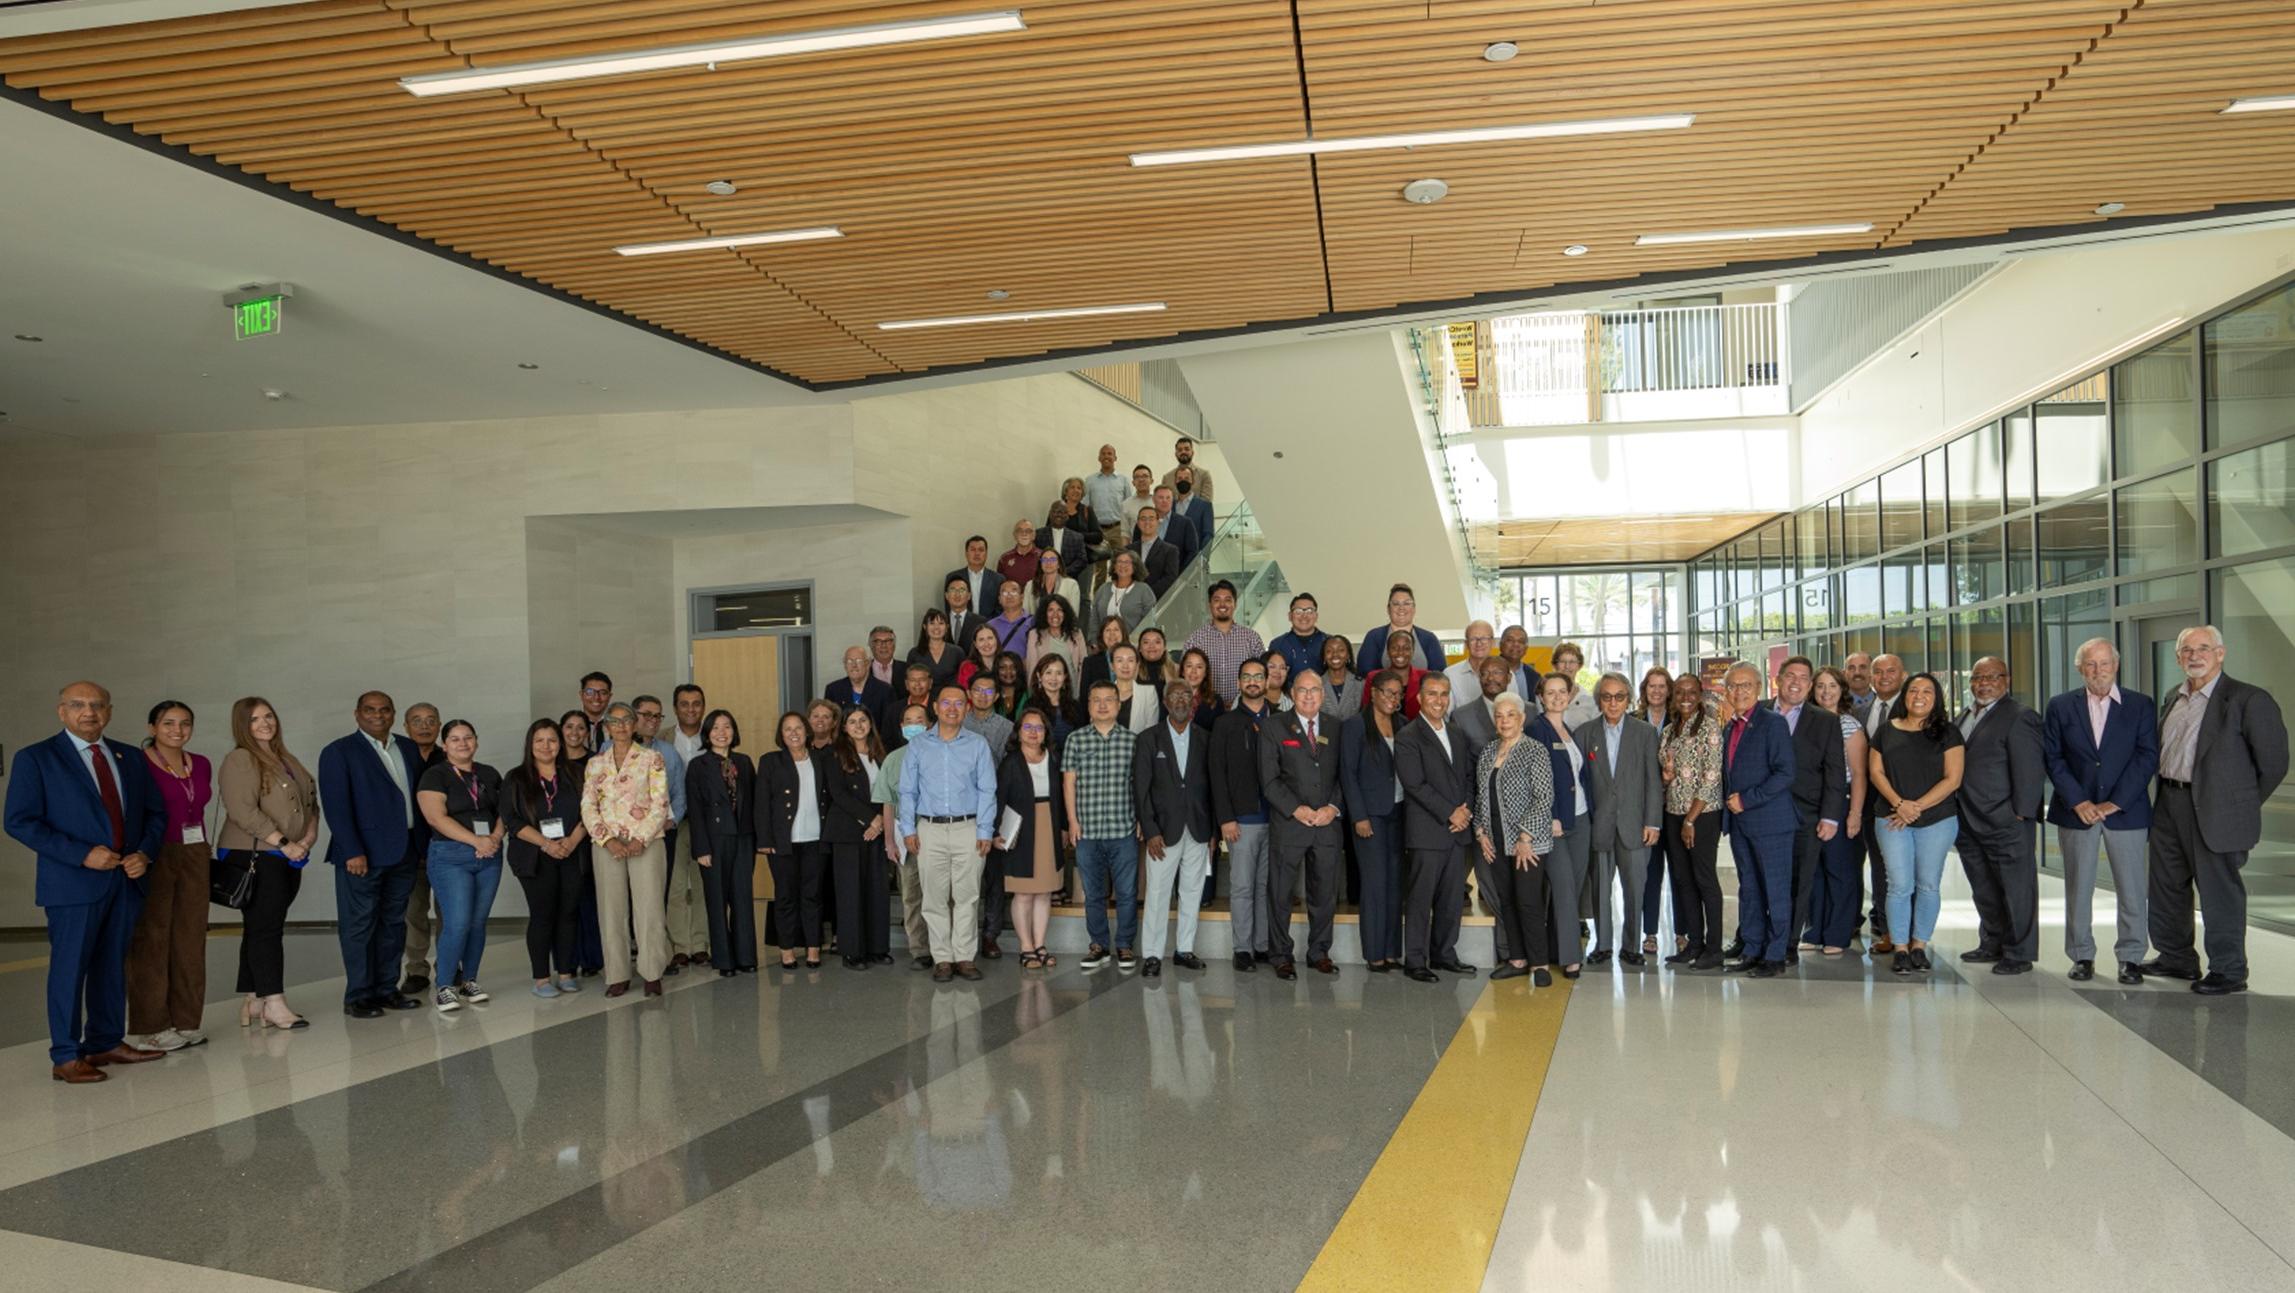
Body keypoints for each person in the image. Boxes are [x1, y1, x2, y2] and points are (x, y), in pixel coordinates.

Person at [5, 682, 168, 1083]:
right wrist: (81, 853)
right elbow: (19, 821)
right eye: (78, 705)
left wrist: (144, 853)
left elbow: (154, 814)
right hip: (72, 884)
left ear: (109, 712)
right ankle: (65, 1055)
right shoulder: (37, 758)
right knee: (69, 969)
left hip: (125, 881)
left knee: (111, 965)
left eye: (97, 705)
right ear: (62, 711)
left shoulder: (128, 756)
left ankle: (106, 1040)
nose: (88, 712)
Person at [2141, 625, 2287, 995]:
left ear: (2221, 653)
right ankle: (2176, 957)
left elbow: (2273, 763)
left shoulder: (2248, 699)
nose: (2195, 655)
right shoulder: (2174, 696)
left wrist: (2238, 803)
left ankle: (2229, 969)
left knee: (2220, 892)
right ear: (2178, 658)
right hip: (2169, 804)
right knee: (2167, 886)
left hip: (2216, 811)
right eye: (2187, 650)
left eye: (2203, 648)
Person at [2043, 638, 2157, 984]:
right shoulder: (2061, 706)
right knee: (2078, 887)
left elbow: (2147, 755)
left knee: (2133, 888)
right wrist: (2079, 801)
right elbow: (2053, 756)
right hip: (2076, 812)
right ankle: (2081, 955)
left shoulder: (2140, 705)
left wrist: (2115, 802)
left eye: (2104, 663)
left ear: (2116, 666)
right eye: (2091, 664)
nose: (2098, 671)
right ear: (2080, 668)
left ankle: (2131, 957)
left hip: (2126, 812)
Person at [317, 692, 428, 1019]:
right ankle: (359, 995)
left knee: (393, 923)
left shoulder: (407, 748)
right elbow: (336, 807)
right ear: (357, 714)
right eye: (370, 710)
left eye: (384, 710)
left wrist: (421, 847)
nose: (377, 716)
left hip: (404, 852)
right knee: (359, 925)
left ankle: (385, 988)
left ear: (393, 714)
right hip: (361, 856)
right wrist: (352, 850)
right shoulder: (339, 751)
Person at [215, 697, 320, 1031]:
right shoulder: (241, 759)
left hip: (288, 855)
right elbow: (243, 811)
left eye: (269, 716)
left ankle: (254, 999)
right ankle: (274, 1002)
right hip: (256, 854)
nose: (264, 723)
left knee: (261, 926)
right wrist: (286, 844)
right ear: (241, 725)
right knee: (267, 929)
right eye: (255, 719)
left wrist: (308, 837)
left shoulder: (285, 758)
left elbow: (310, 802)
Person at [897, 685, 1001, 983]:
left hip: (968, 829)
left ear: (967, 708)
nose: (952, 708)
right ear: (936, 707)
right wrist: (907, 829)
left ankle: (964, 957)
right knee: (934, 897)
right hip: (928, 829)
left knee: (967, 896)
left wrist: (984, 829)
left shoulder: (978, 744)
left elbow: (987, 790)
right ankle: (942, 958)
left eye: (959, 703)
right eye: (946, 703)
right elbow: (907, 791)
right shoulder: (919, 745)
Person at [1867, 672, 1965, 977]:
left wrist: (1916, 807)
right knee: (1898, 885)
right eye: (1913, 691)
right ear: (1905, 696)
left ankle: (1919, 945)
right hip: (1891, 818)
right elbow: (1876, 773)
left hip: (1937, 819)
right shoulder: (1885, 731)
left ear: (1936, 698)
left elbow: (1953, 779)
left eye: (1927, 691)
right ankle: (1899, 947)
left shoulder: (1948, 733)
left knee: (1928, 884)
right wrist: (1900, 804)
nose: (1919, 696)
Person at [1954, 656, 2047, 975]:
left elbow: (2031, 770)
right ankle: (1991, 942)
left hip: (2006, 820)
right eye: (1977, 677)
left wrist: (2021, 814)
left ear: (2006, 680)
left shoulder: (2020, 716)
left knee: (2016, 888)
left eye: (1992, 676)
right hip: (1967, 819)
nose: (1983, 683)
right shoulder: (1965, 715)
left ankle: (2019, 952)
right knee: (1983, 887)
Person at [129, 701, 209, 1052]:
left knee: (191, 937)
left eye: (185, 723)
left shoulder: (202, 763)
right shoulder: (138, 764)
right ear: (152, 728)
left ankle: (186, 1020)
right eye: (168, 723)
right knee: (152, 939)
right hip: (155, 853)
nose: (177, 730)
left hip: (195, 851)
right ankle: (150, 1026)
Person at [1258, 670, 1347, 979]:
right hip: (1290, 824)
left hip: (1326, 825)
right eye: (1302, 690)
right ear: (1292, 694)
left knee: (1324, 893)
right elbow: (1269, 780)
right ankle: (1280, 954)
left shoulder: (1336, 728)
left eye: (1314, 690)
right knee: (1280, 892)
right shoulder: (1273, 726)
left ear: (1322, 695)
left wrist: (1333, 808)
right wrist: (1296, 809)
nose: (1309, 696)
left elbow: (1344, 776)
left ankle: (1319, 952)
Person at [581, 702, 672, 997]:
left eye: (626, 721)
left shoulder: (652, 758)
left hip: (646, 842)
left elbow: (660, 804)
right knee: (611, 910)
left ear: (634, 725)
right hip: (607, 846)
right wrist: (608, 840)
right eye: (614, 721)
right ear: (606, 726)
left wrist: (639, 839)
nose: (620, 726)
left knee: (649, 909)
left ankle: (651, 971)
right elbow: (588, 806)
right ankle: (617, 974)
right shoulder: (595, 764)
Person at [413, 719, 504, 1012]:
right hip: (451, 856)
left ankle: (470, 980)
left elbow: (505, 812)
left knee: (478, 923)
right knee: (457, 922)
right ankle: (445, 986)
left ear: (476, 741)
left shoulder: (489, 774)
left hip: (489, 855)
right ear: (444, 745)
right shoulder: (434, 775)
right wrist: (476, 842)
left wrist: (494, 839)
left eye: (468, 738)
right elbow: (435, 818)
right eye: (455, 739)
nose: (462, 743)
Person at [1575, 673, 1664, 968]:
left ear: (1628, 699)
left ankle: (1631, 945)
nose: (1613, 703)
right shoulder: (1585, 733)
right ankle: (1602, 945)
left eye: (1619, 697)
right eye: (1607, 696)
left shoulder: (1645, 733)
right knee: (1600, 889)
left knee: (1634, 889)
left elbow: (1653, 781)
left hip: (1635, 826)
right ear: (1599, 699)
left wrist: (1653, 822)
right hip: (1598, 825)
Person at [1396, 672, 1480, 982]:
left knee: (1451, 898)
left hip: (1458, 831)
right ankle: (1416, 960)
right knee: (1421, 899)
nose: (1439, 700)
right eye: (1432, 694)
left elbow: (1470, 776)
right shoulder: (1408, 736)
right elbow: (1414, 784)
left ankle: (1445, 953)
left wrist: (1466, 810)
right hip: (1428, 832)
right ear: (1419, 698)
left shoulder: (1457, 733)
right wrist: (1450, 813)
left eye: (1444, 694)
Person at [1716, 663, 1797, 977]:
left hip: (1771, 823)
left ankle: (1775, 956)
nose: (1739, 691)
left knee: (1775, 890)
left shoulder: (1772, 723)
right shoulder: (1729, 726)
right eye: (1733, 686)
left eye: (1746, 685)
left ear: (1760, 688)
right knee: (1748, 888)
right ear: (1726, 691)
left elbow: (1786, 773)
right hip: (1740, 825)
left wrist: (1747, 799)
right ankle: (1752, 948)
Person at [1134, 679, 1215, 979]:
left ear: (1193, 701)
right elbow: (1140, 789)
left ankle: (1184, 950)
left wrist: (1212, 832)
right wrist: (1150, 829)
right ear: (1165, 703)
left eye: (1186, 695)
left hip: (1198, 828)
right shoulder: (1148, 739)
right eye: (1174, 696)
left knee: (1192, 891)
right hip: (1161, 833)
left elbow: (1213, 788)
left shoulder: (1206, 738)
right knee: (1157, 893)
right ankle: (1153, 954)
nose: (1181, 701)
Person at [502, 718, 587, 998]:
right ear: (530, 744)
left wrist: (572, 841)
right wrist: (546, 844)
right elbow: (511, 820)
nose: (546, 746)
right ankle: (541, 979)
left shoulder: (576, 774)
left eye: (552, 740)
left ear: (560, 743)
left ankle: (565, 973)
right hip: (533, 856)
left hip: (572, 852)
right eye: (539, 740)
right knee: (543, 915)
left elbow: (592, 811)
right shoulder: (516, 777)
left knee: (569, 913)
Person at [1476, 692, 1558, 985]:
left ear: (1522, 719)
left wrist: (1525, 836)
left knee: (1528, 901)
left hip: (1527, 841)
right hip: (1495, 840)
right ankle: (1517, 958)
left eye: (1511, 715)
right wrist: (1481, 832)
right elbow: (1480, 798)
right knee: (1506, 900)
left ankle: (1539, 964)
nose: (1504, 720)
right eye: (1499, 715)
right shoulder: (1488, 752)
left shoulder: (1534, 750)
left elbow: (1543, 797)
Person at [1769, 656, 1845, 968]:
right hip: (1762, 812)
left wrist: (1830, 816)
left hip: (1807, 815)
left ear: (1810, 685)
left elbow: (1835, 771)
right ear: (1778, 680)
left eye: (1803, 677)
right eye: (1790, 676)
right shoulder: (1758, 711)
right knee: (1760, 879)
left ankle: (1787, 943)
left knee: (1799, 883)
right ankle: (1756, 936)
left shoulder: (1824, 720)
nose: (1796, 682)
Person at [1064, 681, 1141, 971]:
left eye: (1109, 700)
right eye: (1096, 700)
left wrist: (1141, 821)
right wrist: (1072, 821)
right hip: (1088, 830)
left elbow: (1139, 785)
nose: (1103, 705)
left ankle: (1124, 945)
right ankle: (1098, 944)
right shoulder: (1076, 739)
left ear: (1119, 706)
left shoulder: (1133, 741)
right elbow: (1069, 781)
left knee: (1126, 892)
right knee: (1093, 892)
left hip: (1123, 829)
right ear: (1089, 705)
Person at [1213, 656, 1278, 972]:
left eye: (1258, 676)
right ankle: (1242, 948)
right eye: (1247, 677)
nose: (1253, 681)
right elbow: (1217, 773)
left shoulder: (1281, 719)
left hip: (1278, 821)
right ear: (1239, 683)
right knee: (1241, 886)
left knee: (1267, 887)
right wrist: (1225, 817)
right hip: (1242, 821)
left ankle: (1263, 945)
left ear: (1267, 681)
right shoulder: (1225, 724)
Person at [682, 708, 758, 977]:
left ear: (734, 731)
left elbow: (755, 804)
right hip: (713, 841)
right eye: (715, 728)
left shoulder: (745, 762)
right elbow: (695, 809)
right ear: (707, 733)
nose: (722, 733)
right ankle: (724, 960)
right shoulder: (698, 766)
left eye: (727, 727)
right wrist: (701, 848)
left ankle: (746, 956)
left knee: (742, 898)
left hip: (743, 838)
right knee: (717, 900)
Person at [1342, 670, 1408, 973]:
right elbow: (1348, 775)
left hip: (1399, 814)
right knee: (1374, 884)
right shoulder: (1355, 726)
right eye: (1388, 692)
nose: (1393, 699)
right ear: (1374, 693)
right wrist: (1359, 816)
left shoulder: (1404, 725)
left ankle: (1393, 950)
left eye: (1398, 693)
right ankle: (1374, 953)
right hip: (1370, 817)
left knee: (1395, 885)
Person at [1659, 675, 1725, 969]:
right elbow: (1666, 774)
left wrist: (1690, 820)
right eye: (1680, 692)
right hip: (1673, 814)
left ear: (1700, 695)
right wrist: (1666, 776)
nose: (1685, 696)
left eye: (1691, 692)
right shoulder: (1671, 730)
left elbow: (1712, 777)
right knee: (1683, 881)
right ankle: (1693, 943)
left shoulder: (1709, 728)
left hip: (1701, 816)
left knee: (1704, 879)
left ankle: (1713, 948)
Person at [995, 707, 1068, 970]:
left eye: (1039, 728)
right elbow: (999, 799)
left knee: (1044, 892)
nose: (1034, 732)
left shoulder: (1053, 758)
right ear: (1019, 732)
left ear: (1046, 732)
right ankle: (1026, 946)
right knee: (1024, 894)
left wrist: (1064, 827)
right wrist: (995, 832)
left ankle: (1040, 944)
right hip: (1020, 830)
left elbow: (1060, 796)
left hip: (1048, 824)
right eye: (1028, 727)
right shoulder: (1011, 762)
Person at [1804, 667, 1870, 956]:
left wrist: (1854, 813)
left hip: (1841, 803)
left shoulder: (1849, 726)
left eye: (1832, 686)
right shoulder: (1805, 722)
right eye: (1820, 686)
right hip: (1810, 804)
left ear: (1842, 690)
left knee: (1840, 870)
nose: (1826, 692)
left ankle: (1838, 933)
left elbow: (1858, 774)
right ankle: (1815, 929)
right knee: (1814, 870)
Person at [1531, 673, 1592, 978]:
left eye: (1562, 692)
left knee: (1575, 886)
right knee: (1564, 887)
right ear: (1540, 696)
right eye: (1550, 692)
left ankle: (1557, 946)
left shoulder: (1568, 729)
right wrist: (1550, 815)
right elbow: (1536, 779)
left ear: (1569, 695)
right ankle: (1571, 957)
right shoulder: (1536, 729)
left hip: (1580, 818)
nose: (1557, 697)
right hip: (1553, 822)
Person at [631, 696, 697, 976]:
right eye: (646, 715)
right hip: (624, 839)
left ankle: (658, 956)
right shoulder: (610, 749)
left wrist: (672, 821)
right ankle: (630, 956)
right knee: (628, 899)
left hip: (661, 834)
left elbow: (679, 795)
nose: (652, 721)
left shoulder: (668, 752)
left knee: (658, 894)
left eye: (657, 716)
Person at [824, 705, 893, 970]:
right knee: (850, 892)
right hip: (848, 831)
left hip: (876, 831)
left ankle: (877, 948)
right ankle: (852, 951)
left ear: (870, 723)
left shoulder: (880, 753)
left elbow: (889, 789)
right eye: (852, 721)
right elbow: (839, 794)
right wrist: (872, 818)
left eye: (863, 720)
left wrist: (880, 822)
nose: (858, 725)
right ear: (843, 727)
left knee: (877, 890)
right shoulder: (835, 754)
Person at [757, 712, 827, 970]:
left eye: (799, 728)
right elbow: (761, 803)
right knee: (785, 896)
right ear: (781, 734)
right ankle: (786, 949)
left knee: (812, 895)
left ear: (807, 731)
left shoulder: (821, 758)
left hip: (816, 839)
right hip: (783, 841)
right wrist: (764, 839)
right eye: (788, 729)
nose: (794, 733)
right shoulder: (770, 761)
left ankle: (813, 948)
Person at [876, 703, 934, 968]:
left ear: (929, 724)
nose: (913, 725)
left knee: (942, 893)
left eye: (919, 720)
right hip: (905, 835)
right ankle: (920, 950)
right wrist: (889, 841)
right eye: (908, 720)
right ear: (901, 727)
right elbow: (887, 803)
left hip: (936, 832)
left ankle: (944, 948)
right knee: (912, 894)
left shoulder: (941, 753)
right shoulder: (893, 759)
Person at [1858, 652, 1908, 951]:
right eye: (1878, 671)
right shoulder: (1862, 711)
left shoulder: (1914, 708)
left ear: (1903, 674)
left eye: (1891, 670)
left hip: (1905, 803)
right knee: (1878, 866)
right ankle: (1886, 927)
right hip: (1870, 803)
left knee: (1902, 872)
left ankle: (1905, 934)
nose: (1884, 676)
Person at [398, 701, 445, 995]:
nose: (424, 726)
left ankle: (449, 965)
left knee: (449, 913)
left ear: (439, 725)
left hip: (446, 849)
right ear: (405, 727)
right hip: (409, 851)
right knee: (413, 913)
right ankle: (416, 969)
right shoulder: (397, 758)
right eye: (417, 720)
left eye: (430, 720)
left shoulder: (450, 756)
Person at [1629, 666, 1674, 956]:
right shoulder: (1633, 721)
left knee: (1681, 876)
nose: (1656, 691)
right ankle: (1650, 933)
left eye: (1662, 686)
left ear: (1668, 690)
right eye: (1651, 686)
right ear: (1644, 690)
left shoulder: (1681, 721)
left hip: (1677, 807)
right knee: (1650, 872)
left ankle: (1682, 933)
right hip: (1645, 808)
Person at [560, 708, 605, 975]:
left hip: (589, 839)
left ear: (588, 733)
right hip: (557, 843)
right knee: (565, 904)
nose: (575, 732)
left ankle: (592, 960)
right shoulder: (550, 762)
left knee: (589, 900)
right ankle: (568, 960)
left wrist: (578, 834)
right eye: (569, 727)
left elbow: (599, 804)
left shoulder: (596, 762)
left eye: (580, 728)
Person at [1183, 579, 1265, 708]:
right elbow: (1185, 678)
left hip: (1243, 709)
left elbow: (1263, 675)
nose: (1222, 604)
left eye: (1228, 600)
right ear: (1209, 604)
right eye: (1217, 600)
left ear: (1235, 604)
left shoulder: (1252, 638)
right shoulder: (1195, 639)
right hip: (1206, 709)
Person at [1356, 583, 1444, 674]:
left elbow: (1439, 675)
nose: (1401, 608)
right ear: (1388, 609)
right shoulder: (1374, 637)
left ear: (1414, 608)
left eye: (1407, 603)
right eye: (1396, 604)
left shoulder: (1429, 639)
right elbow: (1365, 673)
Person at [827, 645, 895, 734]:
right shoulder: (833, 690)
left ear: (868, 664)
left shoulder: (885, 690)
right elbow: (830, 724)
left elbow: (888, 727)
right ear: (845, 665)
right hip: (843, 745)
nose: (854, 665)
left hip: (874, 745)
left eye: (858, 661)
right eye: (849, 661)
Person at [1449, 655, 1512, 750]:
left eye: (1497, 673)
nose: (1490, 678)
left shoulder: (1529, 711)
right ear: (1479, 678)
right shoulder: (1460, 717)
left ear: (1509, 677)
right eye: (1485, 673)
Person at [1268, 592, 1330, 681]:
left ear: (1316, 616)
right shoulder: (1277, 644)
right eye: (1298, 611)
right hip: (1288, 694)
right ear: (1290, 616)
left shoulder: (1329, 642)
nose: (1304, 616)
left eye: (1309, 611)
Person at [1084, 445, 1131, 564]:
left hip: (1118, 529)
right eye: (1103, 454)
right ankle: (1100, 584)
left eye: (1109, 454)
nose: (1106, 456)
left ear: (1115, 458)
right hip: (1098, 531)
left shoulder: (1123, 480)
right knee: (1100, 567)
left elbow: (1128, 506)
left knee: (1121, 562)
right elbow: (1085, 507)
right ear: (1099, 458)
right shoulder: (1090, 480)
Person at [1093, 550, 1155, 635]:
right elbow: (1094, 618)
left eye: (1127, 562)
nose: (1122, 565)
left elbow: (1149, 621)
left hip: (1133, 644)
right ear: (1114, 566)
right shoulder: (1103, 588)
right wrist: (1093, 641)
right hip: (1103, 644)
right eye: (1119, 562)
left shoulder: (1144, 590)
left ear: (1135, 567)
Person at [1030, 655, 1085, 751]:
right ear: (1039, 676)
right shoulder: (1031, 706)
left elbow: (1081, 740)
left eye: (1059, 673)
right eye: (1048, 673)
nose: (1053, 678)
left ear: (1065, 677)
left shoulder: (1075, 706)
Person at [946, 535, 1005, 623]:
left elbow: (1001, 607)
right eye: (973, 550)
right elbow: (949, 607)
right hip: (961, 627)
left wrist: (988, 625)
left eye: (981, 550)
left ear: (986, 553)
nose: (977, 553)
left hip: (990, 628)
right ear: (966, 553)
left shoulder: (998, 579)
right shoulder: (953, 577)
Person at [1109, 642, 1162, 735]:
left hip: (1140, 747)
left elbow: (1151, 731)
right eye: (1119, 660)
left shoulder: (1148, 693)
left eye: (1130, 660)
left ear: (1137, 665)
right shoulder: (1102, 693)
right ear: (1112, 666)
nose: (1125, 666)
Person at [1378, 625, 1429, 723]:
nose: (1400, 652)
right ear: (1388, 652)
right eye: (1394, 648)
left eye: (1406, 648)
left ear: (1413, 651)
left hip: (1417, 735)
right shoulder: (1374, 678)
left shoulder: (1426, 677)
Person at [962, 671, 1015, 763]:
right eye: (978, 690)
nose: (983, 695)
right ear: (969, 694)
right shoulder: (959, 723)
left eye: (989, 691)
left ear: (996, 696)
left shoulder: (1008, 727)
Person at [1131, 507, 1182, 598]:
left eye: (1151, 519)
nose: (1147, 522)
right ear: (1138, 523)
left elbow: (1170, 578)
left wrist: (1146, 596)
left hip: (1158, 601)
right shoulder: (1128, 550)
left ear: (1158, 522)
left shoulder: (1170, 550)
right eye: (1143, 519)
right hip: (1131, 601)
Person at [1027, 594, 1085, 673]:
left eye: (1060, 610)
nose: (1055, 615)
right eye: (1050, 610)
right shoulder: (1034, 635)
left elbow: (1083, 666)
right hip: (1045, 684)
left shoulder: (1076, 635)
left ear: (1065, 613)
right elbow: (1032, 668)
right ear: (1044, 613)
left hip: (1072, 684)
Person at [1549, 642, 1602, 728]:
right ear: (1555, 665)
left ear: (1579, 665)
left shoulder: (1590, 700)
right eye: (1562, 661)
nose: (1567, 666)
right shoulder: (1544, 696)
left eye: (1572, 662)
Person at [1443, 621, 1499, 701]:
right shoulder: (1450, 675)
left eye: (1484, 638)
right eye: (1473, 639)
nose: (1479, 644)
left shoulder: (1507, 674)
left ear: (1493, 642)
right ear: (1466, 644)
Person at [911, 607, 965, 689]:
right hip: (922, 698)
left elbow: (963, 681)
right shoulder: (914, 653)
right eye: (932, 623)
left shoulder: (957, 652)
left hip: (950, 698)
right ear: (925, 627)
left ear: (947, 627)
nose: (936, 627)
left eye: (941, 623)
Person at [888, 664, 937, 752]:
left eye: (922, 680)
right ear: (906, 684)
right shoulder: (893, 709)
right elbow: (887, 741)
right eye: (913, 680)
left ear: (930, 683)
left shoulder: (938, 708)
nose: (917, 684)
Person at [1028, 548, 1082, 625]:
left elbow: (1073, 615)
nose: (1048, 563)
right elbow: (1026, 613)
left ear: (1059, 564)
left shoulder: (1071, 585)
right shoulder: (1030, 585)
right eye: (1044, 560)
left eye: (1052, 559)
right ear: (1040, 564)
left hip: (1062, 632)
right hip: (1036, 631)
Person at [1159, 434, 1216, 504]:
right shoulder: (1167, 478)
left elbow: (1206, 502)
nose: (1183, 452)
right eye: (1180, 450)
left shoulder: (1204, 475)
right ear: (1176, 454)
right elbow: (1164, 502)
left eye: (1187, 449)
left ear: (1192, 452)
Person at [1318, 635, 1362, 724]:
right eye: (1329, 651)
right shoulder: (1317, 684)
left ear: (1348, 655)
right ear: (1324, 657)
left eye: (1341, 650)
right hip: (1325, 736)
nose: (1335, 655)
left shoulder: (1361, 684)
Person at [941, 574, 988, 655]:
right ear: (946, 596)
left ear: (969, 595)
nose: (957, 594)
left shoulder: (980, 622)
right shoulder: (940, 621)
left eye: (962, 590)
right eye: (952, 590)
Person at [1170, 464, 1215, 548]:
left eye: (1187, 478)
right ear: (1175, 481)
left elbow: (1208, 536)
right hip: (1173, 558)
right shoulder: (1169, 506)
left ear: (1192, 481)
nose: (1183, 481)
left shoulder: (1205, 506)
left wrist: (1202, 559)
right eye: (1179, 478)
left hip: (1195, 558)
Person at [988, 580, 1034, 657]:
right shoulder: (990, 626)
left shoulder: (1033, 622)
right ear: (999, 599)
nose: (1009, 596)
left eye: (1014, 592)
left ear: (1022, 597)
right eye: (1004, 593)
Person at [956, 621, 1002, 693]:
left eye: (990, 638)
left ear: (997, 640)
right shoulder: (967, 667)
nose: (986, 643)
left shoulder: (1005, 664)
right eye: (981, 640)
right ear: (975, 644)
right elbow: (962, 694)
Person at [996, 517, 1043, 588]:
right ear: (1014, 535)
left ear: (1033, 536)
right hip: (1012, 598)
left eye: (1028, 531)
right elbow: (1000, 585)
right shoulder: (1004, 558)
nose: (1024, 534)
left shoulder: (1043, 556)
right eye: (1020, 531)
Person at [671, 683, 709, 763]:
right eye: (684, 705)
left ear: (704, 708)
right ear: (675, 709)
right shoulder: (660, 738)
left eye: (696, 704)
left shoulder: (714, 737)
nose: (691, 710)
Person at [1498, 626, 1536, 699]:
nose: (1516, 644)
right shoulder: (1487, 671)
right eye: (1510, 640)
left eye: (1521, 641)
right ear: (1501, 645)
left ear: (1526, 648)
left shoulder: (1534, 676)